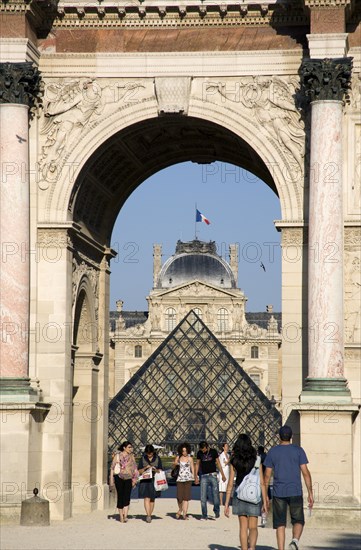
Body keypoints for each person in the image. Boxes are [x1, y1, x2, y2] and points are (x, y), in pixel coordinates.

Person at [263, 425, 314, 550]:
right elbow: (306, 473)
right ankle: (295, 541)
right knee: (298, 520)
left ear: (279, 436)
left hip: (278, 492)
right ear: (291, 437)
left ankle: (281, 549)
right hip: (295, 490)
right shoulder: (298, 450)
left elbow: (266, 476)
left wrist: (264, 497)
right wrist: (310, 493)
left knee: (280, 523)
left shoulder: (273, 452)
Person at [224, 434, 268, 550]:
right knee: (253, 527)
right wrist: (265, 501)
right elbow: (262, 483)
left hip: (240, 494)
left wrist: (227, 503)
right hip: (253, 494)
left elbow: (230, 484)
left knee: (243, 527)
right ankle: (252, 547)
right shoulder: (257, 460)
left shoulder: (234, 461)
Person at [195, 440, 226, 520]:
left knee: (215, 495)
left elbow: (218, 463)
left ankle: (216, 510)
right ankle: (204, 515)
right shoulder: (199, 453)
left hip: (213, 475)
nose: (203, 451)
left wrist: (222, 474)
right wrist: (195, 476)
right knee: (203, 497)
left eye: (204, 449)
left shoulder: (213, 452)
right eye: (201, 449)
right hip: (204, 476)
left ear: (207, 447)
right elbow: (197, 464)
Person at [109, 441, 138, 523]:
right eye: (129, 447)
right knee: (120, 496)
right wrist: (111, 480)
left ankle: (125, 515)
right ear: (124, 448)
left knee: (127, 497)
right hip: (119, 478)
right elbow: (112, 468)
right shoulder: (117, 456)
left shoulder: (132, 457)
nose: (131, 449)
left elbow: (135, 468)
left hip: (128, 478)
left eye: (131, 447)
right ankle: (121, 516)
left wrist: (134, 480)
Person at [137, 444, 163, 523]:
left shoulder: (158, 458)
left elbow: (161, 470)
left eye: (150, 453)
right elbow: (138, 471)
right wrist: (145, 468)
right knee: (146, 498)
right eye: (148, 453)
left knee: (152, 499)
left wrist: (155, 470)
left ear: (153, 452)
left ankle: (149, 514)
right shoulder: (142, 459)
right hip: (145, 480)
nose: (149, 455)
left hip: (154, 480)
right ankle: (148, 515)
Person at [173, 442, 195, 520]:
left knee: (186, 498)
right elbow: (174, 465)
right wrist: (176, 463)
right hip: (179, 479)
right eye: (183, 451)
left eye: (185, 451)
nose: (184, 452)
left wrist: (194, 476)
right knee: (179, 497)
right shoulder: (178, 457)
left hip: (188, 479)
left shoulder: (190, 458)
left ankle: (184, 514)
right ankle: (180, 509)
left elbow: (192, 468)